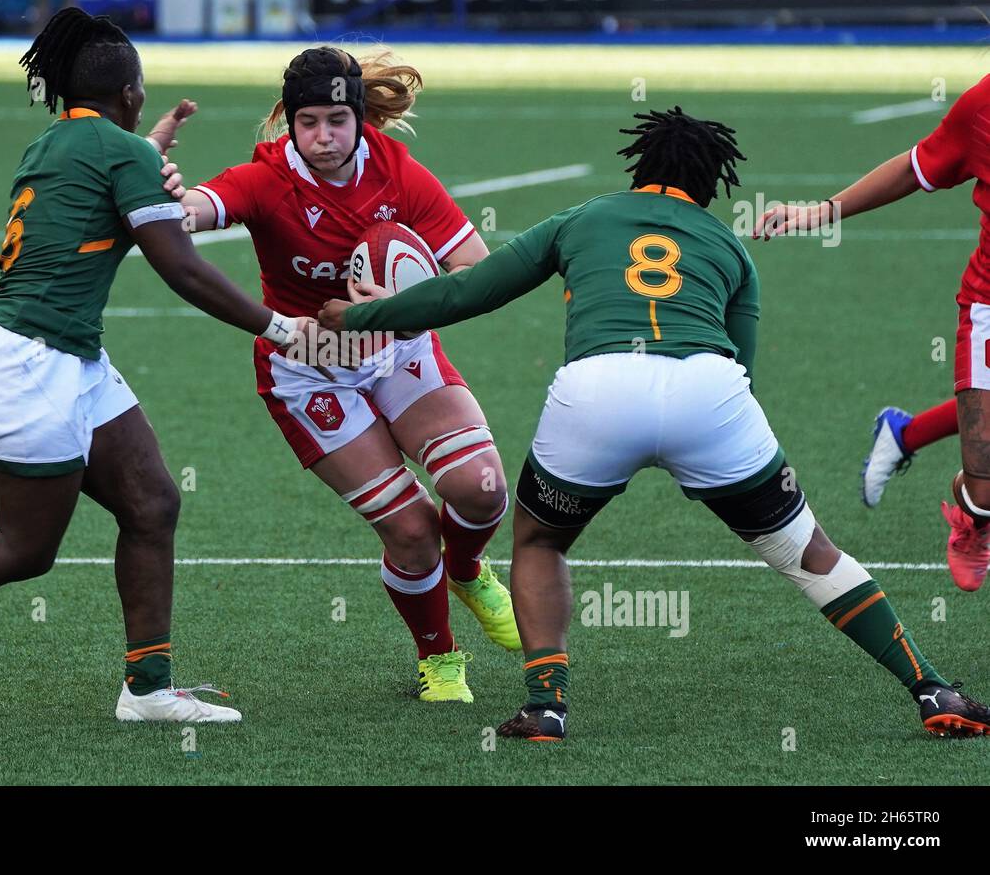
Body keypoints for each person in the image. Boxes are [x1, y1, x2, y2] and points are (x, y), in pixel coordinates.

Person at [321, 106, 990, 741]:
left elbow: (472, 291)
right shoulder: (729, 248)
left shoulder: (581, 218)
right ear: (707, 188)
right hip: (710, 394)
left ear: (638, 171)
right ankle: (931, 690)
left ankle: (545, 707)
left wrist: (358, 316)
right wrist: (706, 461)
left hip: (596, 394)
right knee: (809, 555)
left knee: (540, 543)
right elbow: (743, 370)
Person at [0, 8, 313, 725]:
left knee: (152, 502)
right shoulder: (119, 153)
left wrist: (141, 151)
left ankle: (148, 689)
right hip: (27, 359)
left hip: (60, 354)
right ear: (131, 93)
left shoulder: (59, 142)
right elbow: (184, 270)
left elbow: (100, 203)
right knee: (26, 547)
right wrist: (281, 328)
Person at [175, 47, 520, 703]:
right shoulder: (265, 178)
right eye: (307, 121)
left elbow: (480, 271)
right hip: (309, 372)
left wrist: (400, 308)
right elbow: (192, 211)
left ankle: (469, 571)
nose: (323, 136)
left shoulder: (397, 172)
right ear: (289, 121)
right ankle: (440, 658)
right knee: (413, 529)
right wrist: (160, 190)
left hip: (394, 349)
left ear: (360, 118)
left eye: (337, 119)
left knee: (478, 486)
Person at [755, 77, 990, 592]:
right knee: (985, 486)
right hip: (988, 309)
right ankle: (974, 513)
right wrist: (821, 212)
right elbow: (914, 167)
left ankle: (906, 434)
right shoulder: (983, 106)